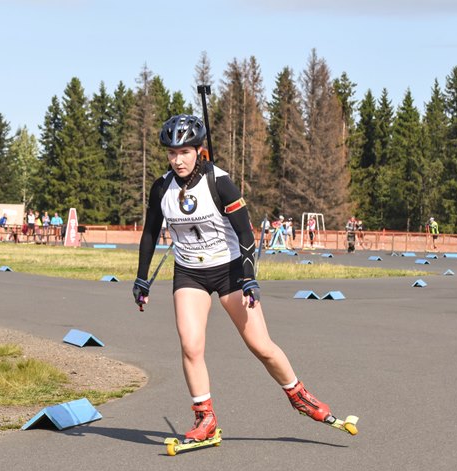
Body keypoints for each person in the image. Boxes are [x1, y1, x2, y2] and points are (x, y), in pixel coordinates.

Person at [134, 114, 353, 445]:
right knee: (191, 345)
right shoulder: (162, 188)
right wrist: (141, 279)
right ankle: (205, 418)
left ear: (199, 151)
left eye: (185, 152)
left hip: (230, 270)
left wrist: (249, 278)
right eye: (171, 153)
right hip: (189, 272)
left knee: (260, 346)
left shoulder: (220, 183)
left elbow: (246, 235)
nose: (178, 160)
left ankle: (299, 396)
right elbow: (150, 233)